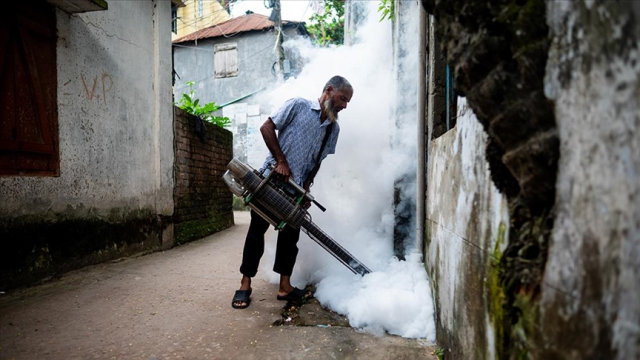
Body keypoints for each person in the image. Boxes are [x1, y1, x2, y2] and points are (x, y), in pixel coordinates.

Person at [232, 76, 354, 309]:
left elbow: (317, 162)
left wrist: (306, 187)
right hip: (270, 181)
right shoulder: (298, 105)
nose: (344, 106)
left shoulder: (333, 130)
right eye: (342, 99)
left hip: (296, 191)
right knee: (256, 233)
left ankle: (284, 286)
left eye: (347, 102)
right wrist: (281, 161)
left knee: (290, 238)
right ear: (328, 90)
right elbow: (266, 127)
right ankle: (245, 284)